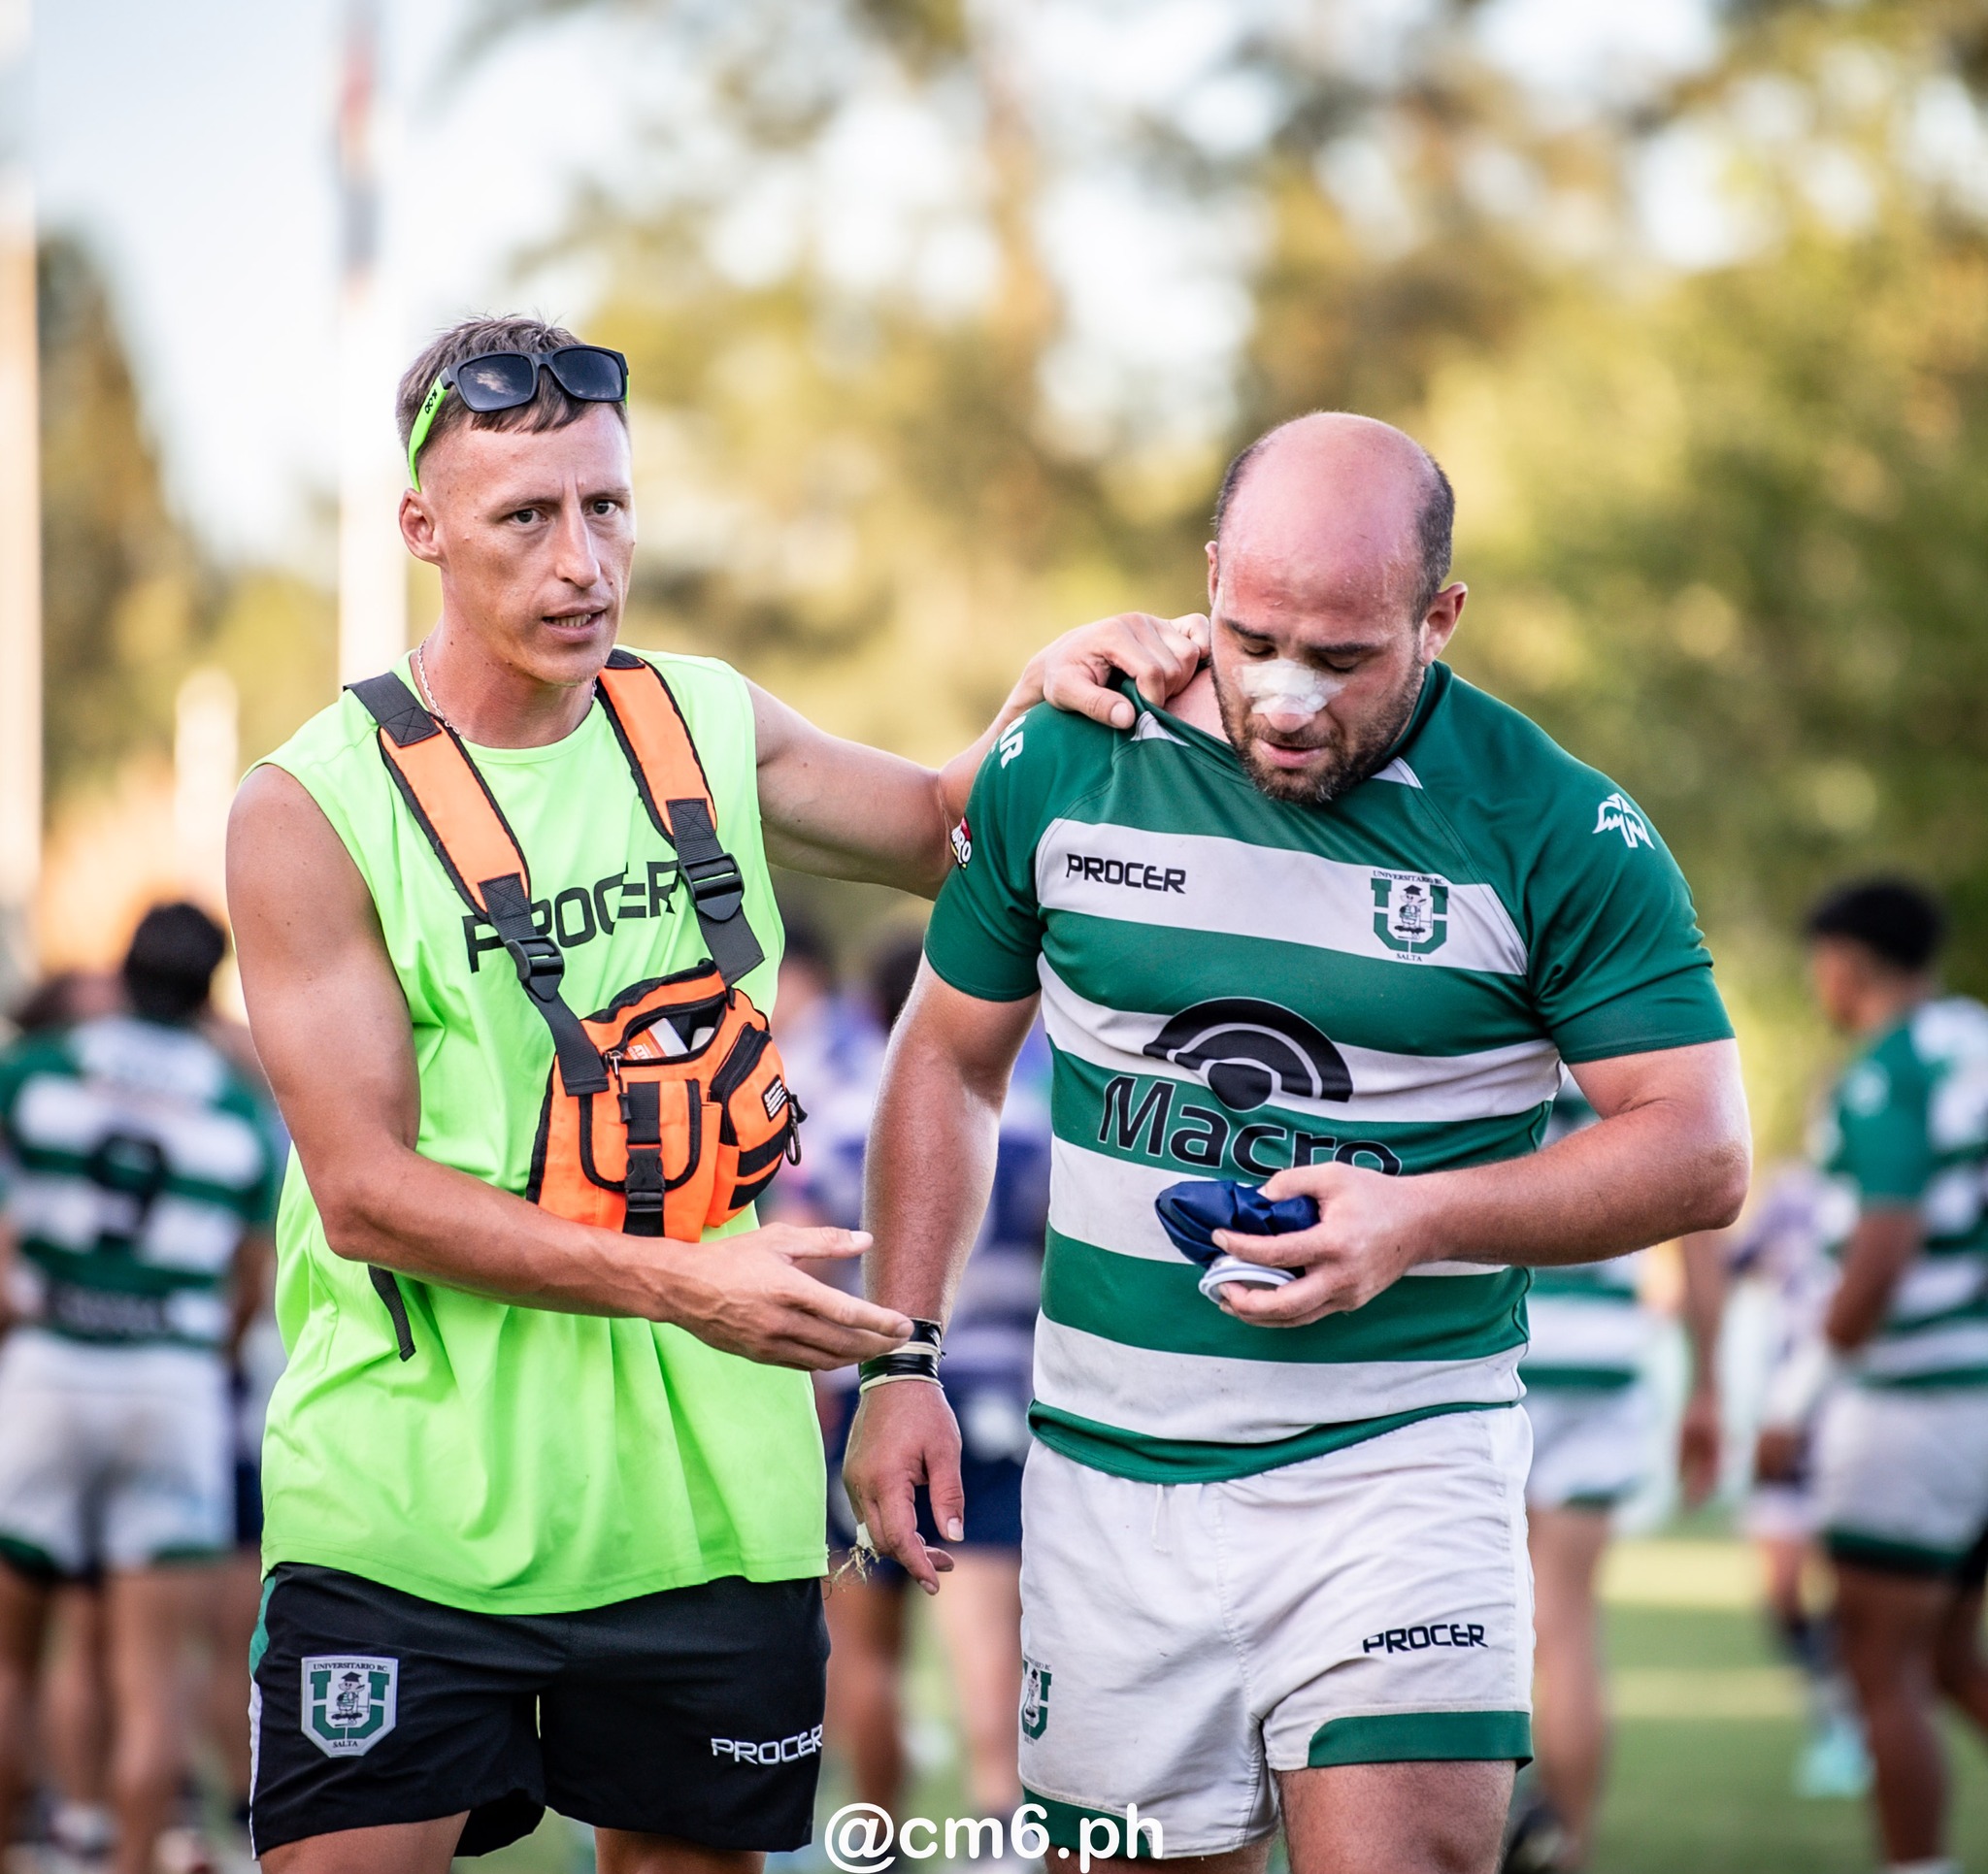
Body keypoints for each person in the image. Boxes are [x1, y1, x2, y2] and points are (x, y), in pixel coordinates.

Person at [224, 314, 1201, 1874]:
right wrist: (687, 1286)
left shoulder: (702, 715)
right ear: (422, 529)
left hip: (708, 1509)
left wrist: (1037, 690)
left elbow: (946, 823)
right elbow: (363, 1191)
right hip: (407, 1505)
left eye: (607, 507)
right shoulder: (309, 804)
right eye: (524, 518)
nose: (581, 565)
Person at [845, 411, 1750, 1874]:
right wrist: (903, 1358)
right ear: (1206, 574)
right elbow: (947, 1057)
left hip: (1398, 1469)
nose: (1281, 697)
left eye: (1340, 659)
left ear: (1440, 618)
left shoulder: (1555, 826)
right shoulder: (1072, 758)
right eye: (1251, 635)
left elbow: (1701, 1148)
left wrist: (1415, 1219)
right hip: (1105, 1482)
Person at [0, 905, 282, 1874]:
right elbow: (253, 1277)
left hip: (47, 1364)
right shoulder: (235, 1102)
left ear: (121, 970)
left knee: (13, 1655)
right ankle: (127, 1856)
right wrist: (202, 1350)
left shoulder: (39, 1070)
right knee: (153, 1671)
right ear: (209, 988)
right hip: (172, 1379)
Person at [1772, 879, 1988, 1874]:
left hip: (1914, 1399)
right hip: (1970, 1390)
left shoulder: (1883, 1071)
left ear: (1846, 961)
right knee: (1946, 1657)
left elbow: (1880, 1246)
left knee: (1879, 1662)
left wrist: (1794, 1397)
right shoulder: (1969, 1044)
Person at [811, 935, 1047, 1829]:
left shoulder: (831, 1115)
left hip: (863, 1396)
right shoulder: (1027, 1120)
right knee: (989, 1633)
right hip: (992, 1400)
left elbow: (805, 1251)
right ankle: (997, 1823)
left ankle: (873, 1837)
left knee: (861, 1644)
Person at [1499, 1081, 1727, 1873]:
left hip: (1499, 1338)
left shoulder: (1482, 972)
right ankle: (1572, 1852)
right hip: (1603, 1350)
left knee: (1466, 1621)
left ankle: (1470, 1837)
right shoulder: (1635, 1017)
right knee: (1568, 1626)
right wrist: (1709, 1382)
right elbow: (1699, 1217)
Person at [1731, 1160, 1871, 1799]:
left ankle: (1853, 1725)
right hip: (1785, 1426)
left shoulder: (1897, 1185)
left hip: (1861, 1419)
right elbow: (1732, 1263)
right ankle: (1832, 1710)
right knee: (1781, 1586)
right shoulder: (1791, 1196)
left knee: (1861, 1600)